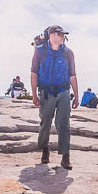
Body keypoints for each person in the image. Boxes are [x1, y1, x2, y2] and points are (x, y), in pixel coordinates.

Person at [31, 25, 79, 170]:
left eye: (63, 34)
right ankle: (45, 149)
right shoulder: (40, 52)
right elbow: (34, 74)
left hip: (64, 92)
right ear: (51, 35)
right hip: (46, 92)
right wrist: (34, 94)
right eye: (60, 34)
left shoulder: (68, 53)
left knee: (64, 123)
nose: (63, 36)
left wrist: (76, 96)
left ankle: (65, 156)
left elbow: (72, 74)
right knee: (45, 122)